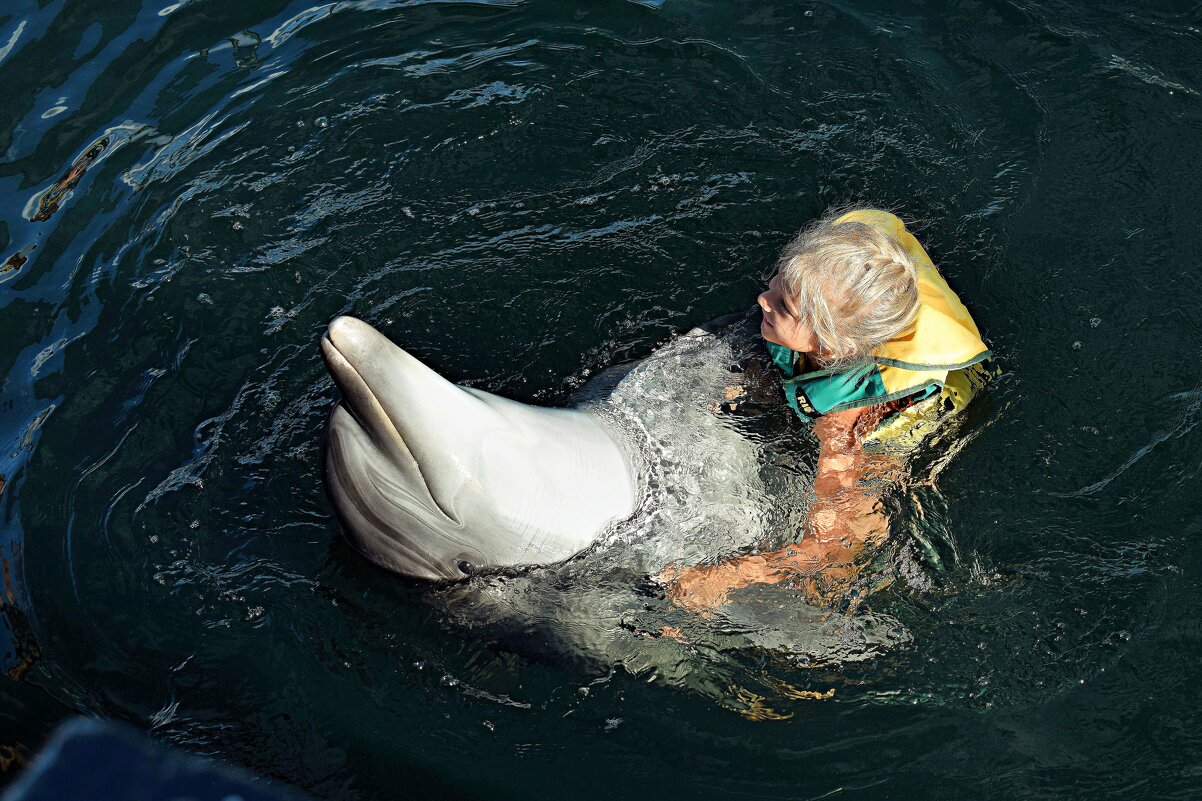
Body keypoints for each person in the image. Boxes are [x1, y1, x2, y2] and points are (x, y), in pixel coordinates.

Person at [661, 208, 992, 614]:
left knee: (838, 556)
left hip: (902, 419)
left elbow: (834, 548)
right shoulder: (830, 288)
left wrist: (730, 576)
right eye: (778, 281)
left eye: (783, 304)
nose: (763, 298)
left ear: (834, 348)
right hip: (840, 345)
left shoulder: (845, 427)